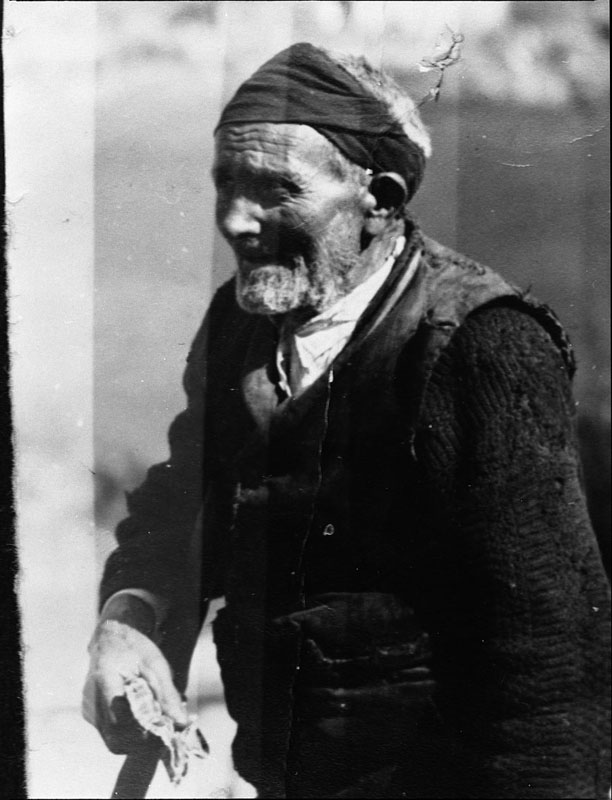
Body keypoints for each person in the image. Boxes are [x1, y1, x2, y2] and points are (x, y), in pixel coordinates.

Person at [82, 43, 611, 799]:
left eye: (276, 189)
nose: (235, 219)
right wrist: (130, 614)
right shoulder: (240, 325)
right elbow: (186, 496)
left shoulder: (482, 347)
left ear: (380, 199)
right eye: (227, 182)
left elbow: (552, 660)